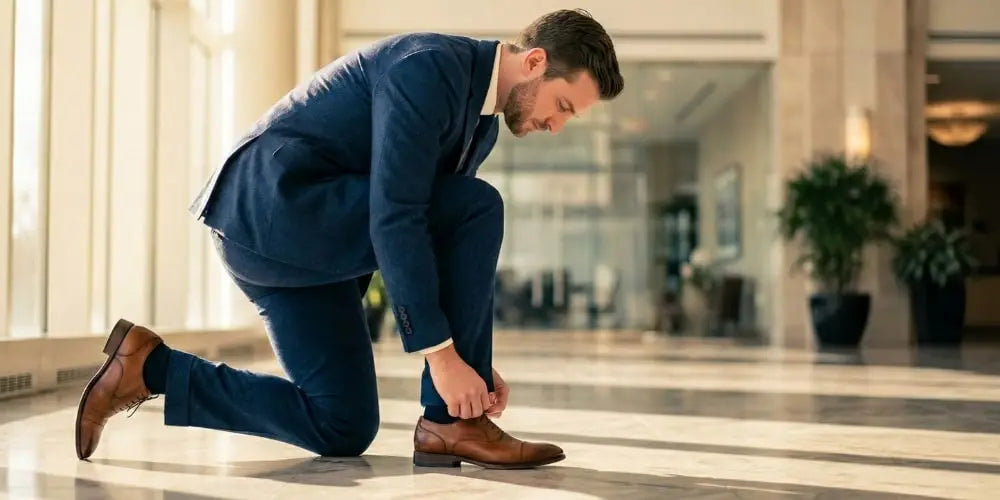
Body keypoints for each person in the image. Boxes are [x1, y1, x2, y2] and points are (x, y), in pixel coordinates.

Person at [75, 8, 623, 469]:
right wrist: (445, 358)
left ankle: (149, 368)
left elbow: (438, 246)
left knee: (341, 423)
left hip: (304, 247)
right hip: (276, 212)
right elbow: (396, 216)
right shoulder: (430, 68)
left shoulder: (479, 123)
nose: (557, 125)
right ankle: (453, 425)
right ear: (535, 62)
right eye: (563, 106)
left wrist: (471, 368)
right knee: (478, 206)